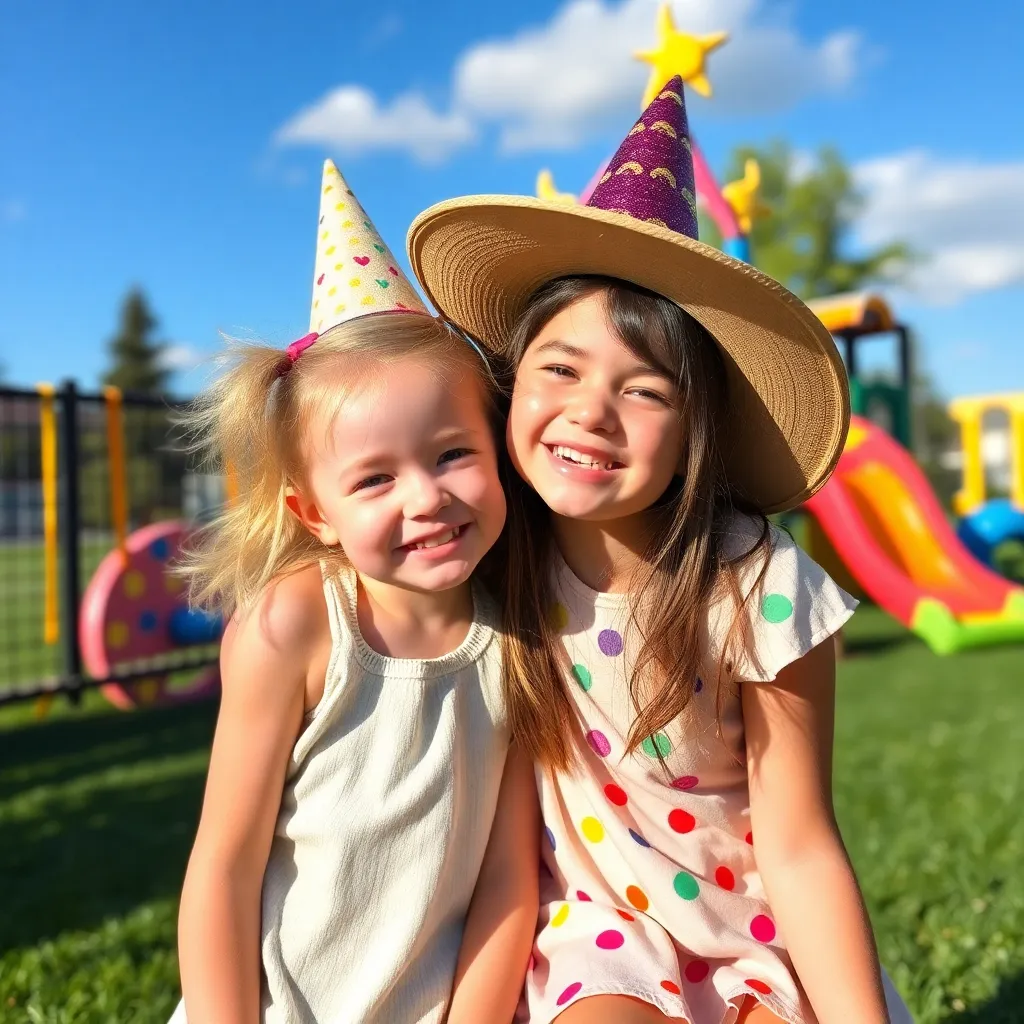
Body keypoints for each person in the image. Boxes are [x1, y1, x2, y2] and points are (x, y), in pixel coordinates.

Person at [408, 77, 913, 1024]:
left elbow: (801, 844)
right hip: (596, 928)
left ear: (697, 433)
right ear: (514, 385)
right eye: (559, 368)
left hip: (760, 932)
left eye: (646, 390)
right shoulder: (498, 559)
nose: (591, 410)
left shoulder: (759, 585)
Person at [170, 159, 538, 1024]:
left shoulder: (523, 634)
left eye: (452, 453)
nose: (427, 497)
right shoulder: (294, 626)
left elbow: (509, 880)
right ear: (315, 512)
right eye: (374, 479)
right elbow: (224, 863)